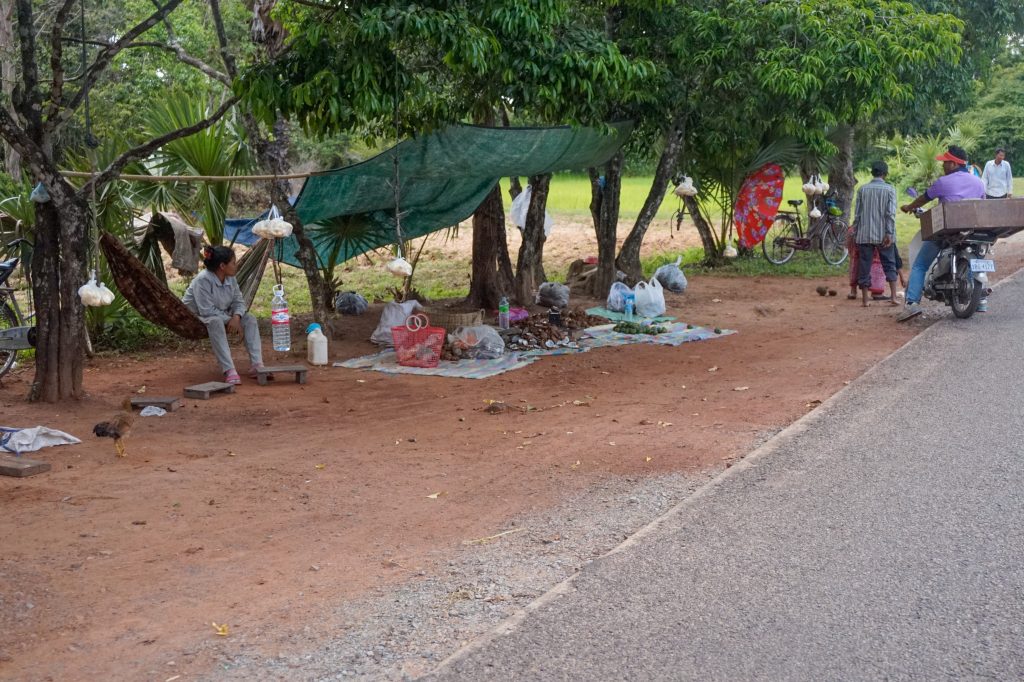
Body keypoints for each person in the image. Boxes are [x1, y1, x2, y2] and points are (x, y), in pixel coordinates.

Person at [898, 145, 986, 321]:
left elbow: (924, 198)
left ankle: (912, 303)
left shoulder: (943, 182)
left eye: (945, 162)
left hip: (947, 232)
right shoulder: (978, 183)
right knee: (978, 257)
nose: (943, 166)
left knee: (920, 265)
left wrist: (909, 207)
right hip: (972, 232)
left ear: (953, 164)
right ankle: (980, 299)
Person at [182, 245, 265, 384]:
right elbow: (206, 310)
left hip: (221, 314)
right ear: (222, 266)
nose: (235, 266)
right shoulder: (202, 280)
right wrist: (230, 320)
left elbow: (239, 301)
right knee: (215, 321)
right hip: (196, 317)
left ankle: (257, 365)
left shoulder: (230, 278)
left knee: (249, 319)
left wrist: (237, 317)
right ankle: (229, 370)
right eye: (233, 263)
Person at [851, 160, 899, 307]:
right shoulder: (890, 190)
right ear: (885, 174)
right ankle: (893, 297)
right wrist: (889, 233)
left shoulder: (862, 189)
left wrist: (856, 231)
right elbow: (890, 214)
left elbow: (857, 214)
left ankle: (865, 300)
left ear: (873, 173)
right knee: (889, 263)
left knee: (864, 265)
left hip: (864, 234)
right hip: (884, 234)